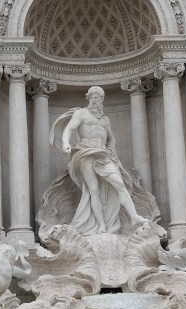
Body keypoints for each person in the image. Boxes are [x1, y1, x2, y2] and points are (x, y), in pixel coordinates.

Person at [50, 86, 150, 235]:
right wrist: (66, 143)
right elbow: (69, 129)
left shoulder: (105, 119)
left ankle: (134, 216)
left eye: (97, 97)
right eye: (92, 97)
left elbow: (111, 139)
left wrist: (112, 149)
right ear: (88, 99)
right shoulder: (81, 113)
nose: (95, 100)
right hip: (85, 153)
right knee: (93, 190)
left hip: (103, 155)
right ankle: (101, 225)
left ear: (102, 99)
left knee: (120, 184)